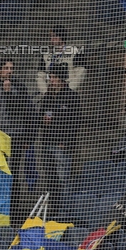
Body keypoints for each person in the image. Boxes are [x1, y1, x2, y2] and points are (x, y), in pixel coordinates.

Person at [0, 60, 37, 225]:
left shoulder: (19, 88)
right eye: (6, 68)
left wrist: (8, 93)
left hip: (16, 139)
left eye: (12, 68)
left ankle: (13, 211)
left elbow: (24, 112)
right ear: (0, 70)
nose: (9, 71)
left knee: (12, 173)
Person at [36, 64, 81, 199]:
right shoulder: (47, 97)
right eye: (50, 77)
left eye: (54, 77)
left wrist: (66, 142)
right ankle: (52, 210)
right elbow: (39, 116)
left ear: (61, 78)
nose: (51, 80)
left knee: (63, 180)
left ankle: (63, 211)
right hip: (47, 143)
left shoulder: (72, 97)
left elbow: (75, 123)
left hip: (62, 145)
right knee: (50, 180)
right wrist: (43, 119)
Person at [36, 24, 86, 94]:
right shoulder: (46, 55)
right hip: (50, 95)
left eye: (55, 35)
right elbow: (40, 76)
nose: (52, 39)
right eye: (51, 36)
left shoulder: (75, 51)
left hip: (68, 95)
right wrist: (46, 92)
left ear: (61, 36)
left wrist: (68, 90)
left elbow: (81, 73)